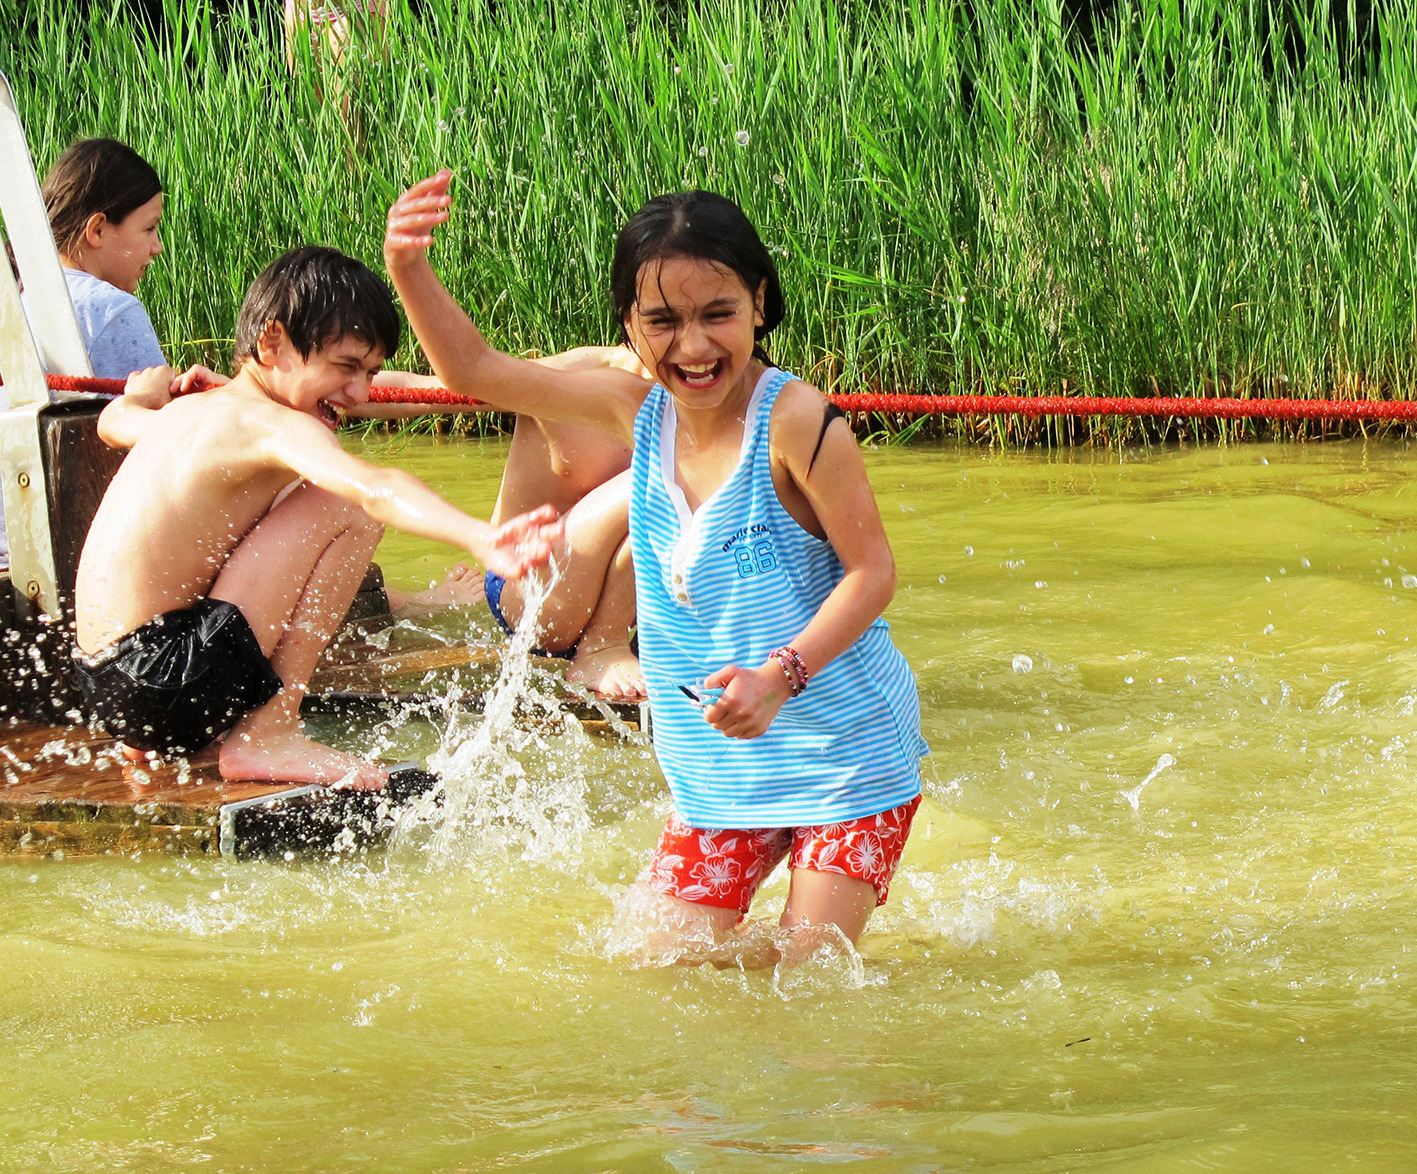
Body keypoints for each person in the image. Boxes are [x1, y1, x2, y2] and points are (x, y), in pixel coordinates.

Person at [384, 171, 929, 966]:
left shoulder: (797, 421)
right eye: (663, 322)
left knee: (804, 983)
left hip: (844, 755)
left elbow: (871, 574)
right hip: (717, 773)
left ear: (761, 305)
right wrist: (408, 267)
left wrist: (779, 676)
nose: (695, 346)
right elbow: (471, 370)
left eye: (718, 314)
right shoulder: (632, 410)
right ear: (630, 329)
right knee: (652, 972)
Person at [72, 245, 561, 789]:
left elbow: (113, 422)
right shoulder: (271, 426)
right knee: (344, 503)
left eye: (370, 372)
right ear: (272, 342)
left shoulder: (193, 412)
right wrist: (480, 535)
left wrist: (138, 395)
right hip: (169, 681)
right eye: (347, 367)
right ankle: (268, 733)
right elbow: (376, 488)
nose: (359, 393)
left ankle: (179, 733)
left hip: (108, 692)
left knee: (292, 494)